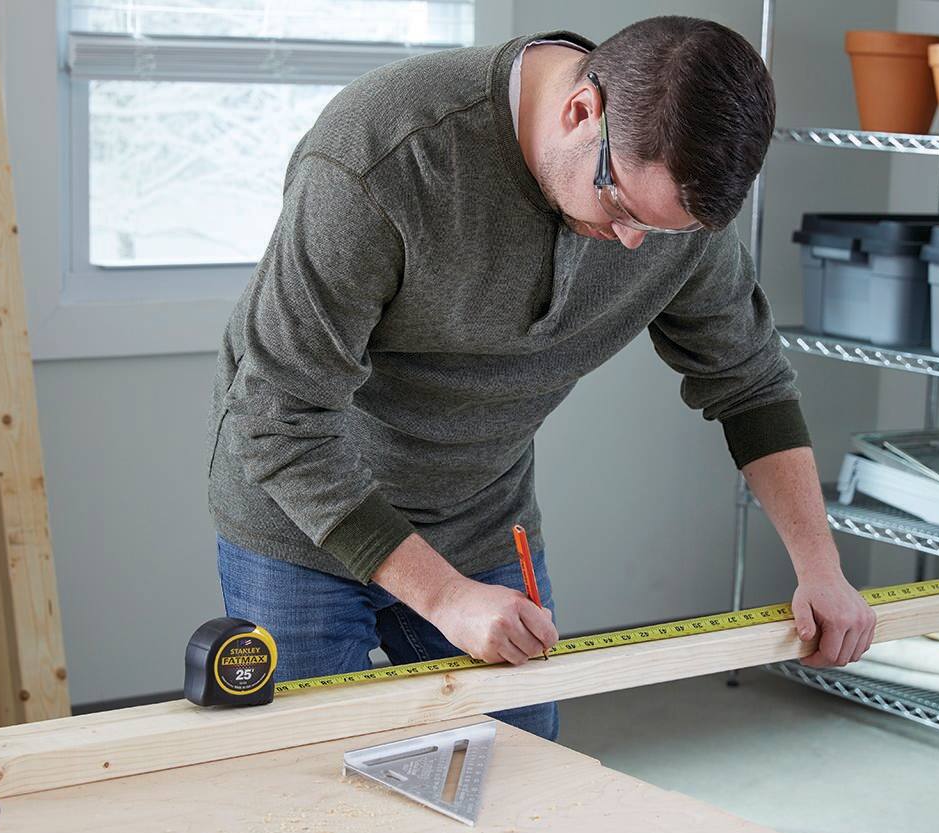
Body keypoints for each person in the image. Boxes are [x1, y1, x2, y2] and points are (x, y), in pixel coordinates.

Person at [207, 16, 876, 742]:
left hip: (483, 517)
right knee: (319, 784)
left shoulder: (666, 214)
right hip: (309, 523)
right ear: (582, 111)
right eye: (620, 205)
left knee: (520, 777)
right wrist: (445, 597)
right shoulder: (382, 156)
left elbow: (751, 387)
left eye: (664, 229)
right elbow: (279, 419)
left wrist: (822, 571)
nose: (632, 243)